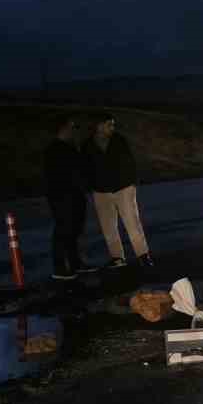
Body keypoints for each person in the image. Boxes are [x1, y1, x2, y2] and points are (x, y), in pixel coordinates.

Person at [86, 114, 153, 269]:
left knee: (132, 223)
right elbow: (86, 167)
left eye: (113, 125)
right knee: (108, 226)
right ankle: (117, 258)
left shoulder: (119, 140)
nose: (112, 128)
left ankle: (143, 255)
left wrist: (132, 184)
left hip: (123, 188)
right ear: (99, 126)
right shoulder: (88, 145)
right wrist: (91, 185)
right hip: (101, 191)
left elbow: (129, 161)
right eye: (109, 125)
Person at [44, 116, 91, 280]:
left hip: (75, 194)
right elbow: (57, 176)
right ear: (63, 128)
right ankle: (59, 268)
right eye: (72, 127)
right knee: (64, 230)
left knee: (74, 230)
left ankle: (75, 262)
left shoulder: (69, 148)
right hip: (62, 196)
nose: (75, 131)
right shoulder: (54, 150)